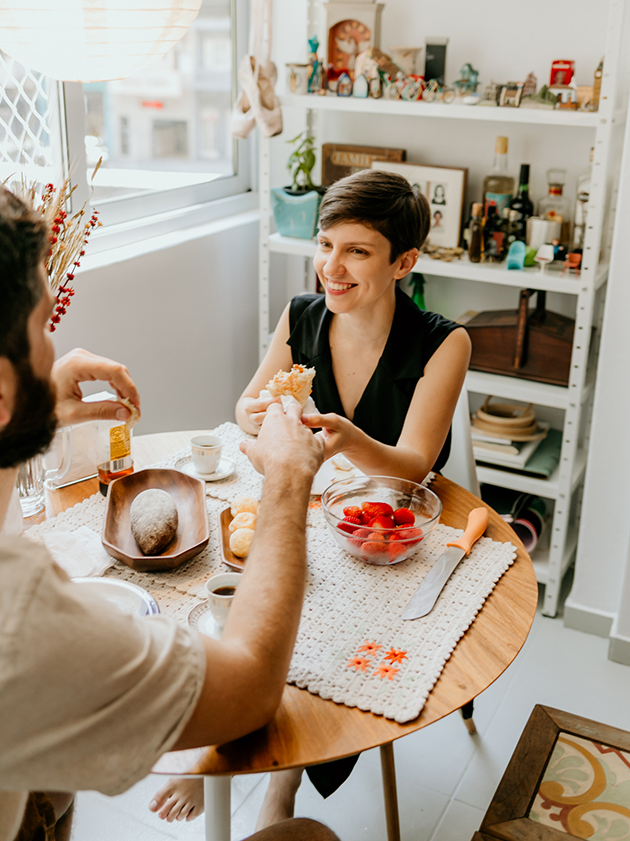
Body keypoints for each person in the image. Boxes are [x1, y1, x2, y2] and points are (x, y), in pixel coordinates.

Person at [0, 178, 337, 841]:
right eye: (44, 328)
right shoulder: (1, 614)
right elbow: (250, 690)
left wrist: (14, 419)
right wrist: (285, 484)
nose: (55, 350)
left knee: (50, 781)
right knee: (310, 838)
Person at [157, 170, 471, 827]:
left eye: (356, 250)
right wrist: (268, 411)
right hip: (306, 506)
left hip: (385, 531)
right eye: (325, 243)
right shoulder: (301, 315)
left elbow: (414, 463)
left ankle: (281, 782)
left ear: (403, 262)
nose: (330, 266)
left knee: (305, 620)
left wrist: (346, 438)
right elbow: (245, 407)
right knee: (232, 594)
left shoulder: (443, 342)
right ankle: (229, 729)